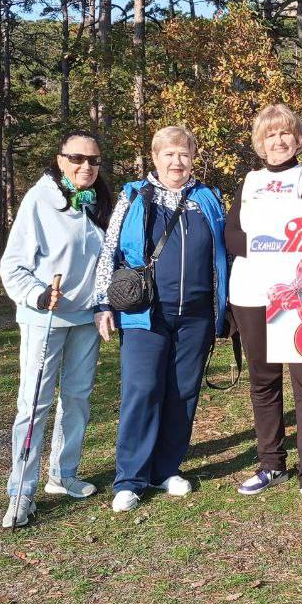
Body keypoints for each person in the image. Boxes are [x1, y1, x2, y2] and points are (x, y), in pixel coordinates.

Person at [92, 126, 228, 514]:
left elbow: (226, 252)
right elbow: (110, 249)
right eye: (169, 154)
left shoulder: (208, 198)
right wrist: (102, 303)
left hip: (196, 316)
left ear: (193, 158)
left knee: (183, 392)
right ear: (154, 158)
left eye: (184, 154)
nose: (177, 162)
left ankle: (166, 469)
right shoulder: (134, 195)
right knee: (142, 390)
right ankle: (130, 479)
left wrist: (228, 305)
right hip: (144, 313)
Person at [223, 104, 302, 521]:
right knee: (263, 381)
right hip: (250, 292)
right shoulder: (250, 181)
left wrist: (271, 245)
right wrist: (267, 245)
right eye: (270, 135)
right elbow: (232, 235)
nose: (278, 141)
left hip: (297, 295)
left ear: (298, 138)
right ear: (260, 142)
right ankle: (271, 463)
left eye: (286, 133)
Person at [0, 131, 113, 528]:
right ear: (60, 160)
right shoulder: (39, 199)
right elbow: (13, 264)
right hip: (44, 318)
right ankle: (21, 491)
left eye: (94, 160)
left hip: (86, 318)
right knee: (34, 404)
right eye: (77, 158)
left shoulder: (99, 201)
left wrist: (104, 303)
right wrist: (37, 293)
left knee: (77, 400)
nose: (86, 166)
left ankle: (63, 475)